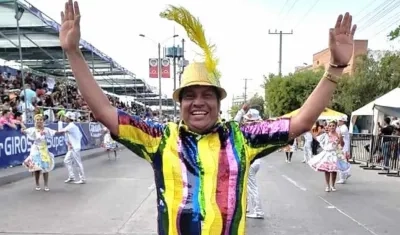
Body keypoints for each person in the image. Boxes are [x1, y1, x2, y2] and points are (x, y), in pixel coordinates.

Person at [59, 1, 356, 233]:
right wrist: (73, 52)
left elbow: (301, 121)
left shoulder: (242, 139)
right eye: (189, 95)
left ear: (218, 101)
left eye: (207, 95)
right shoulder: (159, 140)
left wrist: (335, 69)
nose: (198, 102)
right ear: (180, 102)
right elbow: (105, 112)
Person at [308, 120, 347, 192]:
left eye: (333, 126)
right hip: (327, 154)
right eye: (330, 126)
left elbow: (342, 145)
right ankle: (327, 185)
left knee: (334, 170)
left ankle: (333, 185)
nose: (332, 127)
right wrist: (311, 130)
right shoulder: (326, 134)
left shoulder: (338, 134)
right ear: (328, 127)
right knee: (327, 170)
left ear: (336, 126)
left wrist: (340, 138)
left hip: (335, 153)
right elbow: (317, 138)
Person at [22, 114, 58, 191]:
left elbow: (55, 132)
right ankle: (37, 184)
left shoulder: (46, 129)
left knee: (45, 168)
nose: (39, 121)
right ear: (35, 121)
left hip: (44, 149)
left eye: (40, 120)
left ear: (43, 121)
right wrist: (22, 129)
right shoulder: (32, 129)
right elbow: (25, 131)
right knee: (37, 167)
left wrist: (64, 131)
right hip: (35, 149)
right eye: (37, 120)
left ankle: (46, 184)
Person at [241, 109, 265, 219]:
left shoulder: (251, 130)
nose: (245, 121)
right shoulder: (259, 129)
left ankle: (258, 211)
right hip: (255, 161)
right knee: (246, 186)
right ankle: (245, 207)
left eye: (247, 119)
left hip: (251, 161)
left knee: (252, 188)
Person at [58, 111, 85, 184]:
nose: (65, 119)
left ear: (69, 118)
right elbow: (80, 135)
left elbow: (60, 131)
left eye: (66, 118)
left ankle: (82, 179)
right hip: (73, 147)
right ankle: (72, 177)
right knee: (66, 160)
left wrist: (60, 121)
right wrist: (72, 142)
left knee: (78, 163)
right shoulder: (72, 126)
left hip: (75, 148)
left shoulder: (71, 126)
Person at [336, 116, 351, 184]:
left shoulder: (343, 128)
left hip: (343, 147)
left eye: (339, 121)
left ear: (342, 121)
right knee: (342, 161)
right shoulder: (341, 128)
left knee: (341, 161)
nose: (338, 122)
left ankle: (342, 177)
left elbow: (339, 136)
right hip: (342, 147)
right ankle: (346, 173)